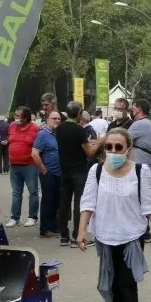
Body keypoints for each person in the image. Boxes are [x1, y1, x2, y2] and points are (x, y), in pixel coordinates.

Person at [78, 128, 151, 302]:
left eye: (118, 147)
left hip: (132, 235)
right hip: (105, 236)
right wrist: (82, 230)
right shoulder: (96, 171)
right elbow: (88, 202)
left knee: (127, 283)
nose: (113, 151)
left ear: (128, 149)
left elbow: (149, 204)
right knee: (110, 281)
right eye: (108, 147)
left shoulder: (140, 171)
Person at [56, 101, 98, 247]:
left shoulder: (59, 128)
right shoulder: (79, 130)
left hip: (64, 169)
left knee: (64, 202)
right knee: (79, 203)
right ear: (79, 113)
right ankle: (76, 236)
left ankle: (63, 236)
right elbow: (89, 152)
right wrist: (99, 142)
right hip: (78, 170)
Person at [5, 106, 40, 228]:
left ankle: (32, 217)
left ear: (25, 117)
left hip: (29, 165)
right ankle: (14, 218)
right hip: (14, 165)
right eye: (15, 115)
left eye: (18, 116)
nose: (15, 118)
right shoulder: (12, 126)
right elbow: (10, 139)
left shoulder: (35, 128)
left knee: (33, 192)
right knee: (16, 193)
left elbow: (39, 145)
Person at [32, 111, 62, 238]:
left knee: (56, 201)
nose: (56, 120)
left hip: (58, 173)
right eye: (54, 118)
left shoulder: (56, 134)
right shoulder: (43, 134)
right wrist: (44, 170)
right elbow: (34, 153)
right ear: (47, 119)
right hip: (48, 173)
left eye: (59, 118)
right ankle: (44, 229)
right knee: (47, 201)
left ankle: (53, 226)